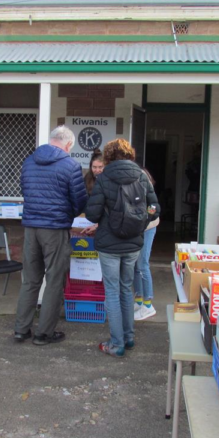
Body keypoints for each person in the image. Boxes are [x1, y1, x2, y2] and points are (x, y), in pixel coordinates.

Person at [85, 139, 159, 357]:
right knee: (127, 288)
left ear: (108, 157)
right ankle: (128, 338)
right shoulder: (141, 175)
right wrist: (140, 225)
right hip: (133, 243)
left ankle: (116, 344)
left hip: (109, 244)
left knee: (112, 291)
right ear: (129, 154)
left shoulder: (104, 177)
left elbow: (91, 214)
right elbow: (154, 208)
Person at [14, 126, 88, 346]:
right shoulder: (71, 165)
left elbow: (24, 190)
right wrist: (69, 214)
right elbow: (79, 201)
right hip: (55, 228)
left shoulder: (29, 161)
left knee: (30, 280)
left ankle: (21, 329)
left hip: (31, 228)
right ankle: (44, 333)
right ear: (68, 145)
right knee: (54, 281)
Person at [134, 168, 160, 321]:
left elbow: (153, 209)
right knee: (136, 266)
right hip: (137, 229)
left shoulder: (145, 186)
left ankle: (148, 305)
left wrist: (144, 221)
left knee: (143, 264)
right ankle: (139, 301)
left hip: (147, 228)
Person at [80, 149, 104, 236]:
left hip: (102, 223)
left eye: (100, 167)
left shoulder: (109, 180)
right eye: (94, 167)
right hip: (87, 220)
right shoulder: (87, 179)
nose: (97, 170)